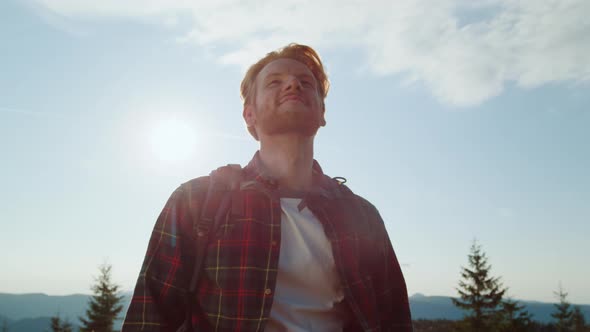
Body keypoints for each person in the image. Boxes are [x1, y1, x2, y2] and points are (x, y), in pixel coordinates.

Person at [122, 43, 412, 332]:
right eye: (275, 81)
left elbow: (395, 319)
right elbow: (150, 316)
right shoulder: (196, 201)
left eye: (305, 82)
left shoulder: (362, 216)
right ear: (250, 115)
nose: (293, 85)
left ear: (322, 113)